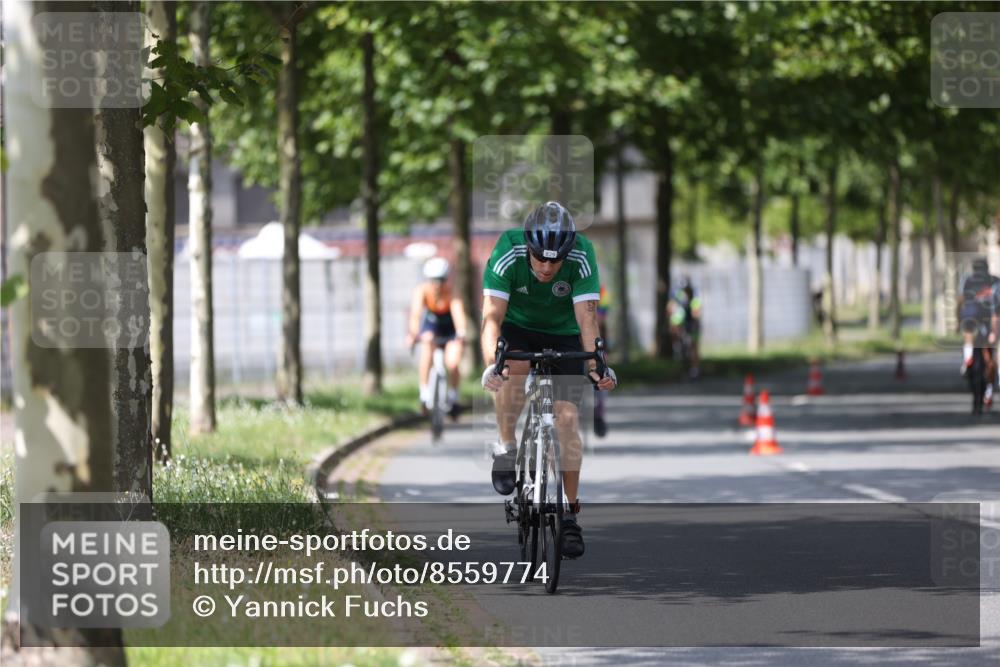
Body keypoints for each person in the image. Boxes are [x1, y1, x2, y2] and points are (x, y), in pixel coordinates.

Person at [480, 201, 618, 559]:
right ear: (528, 247)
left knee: (568, 419)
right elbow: (492, 318)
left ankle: (570, 515)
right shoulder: (507, 250)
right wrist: (491, 365)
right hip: (518, 327)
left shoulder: (582, 255)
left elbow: (588, 320)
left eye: (554, 261)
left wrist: (597, 367)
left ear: (567, 253)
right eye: (539, 257)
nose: (545, 267)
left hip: (565, 333)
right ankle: (507, 447)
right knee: (512, 372)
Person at [406, 257, 467, 415]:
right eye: (434, 280)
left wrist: (461, 332)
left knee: (452, 363)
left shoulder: (452, 291)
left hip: (450, 328)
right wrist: (413, 334)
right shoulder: (422, 291)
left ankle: (453, 398)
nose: (437, 285)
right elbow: (415, 314)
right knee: (427, 349)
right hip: (432, 327)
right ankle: (424, 394)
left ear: (446, 279)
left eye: (441, 280)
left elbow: (458, 313)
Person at [957, 257, 999, 406]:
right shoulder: (995, 280)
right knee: (990, 353)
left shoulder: (966, 280)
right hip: (989, 318)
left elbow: (960, 300)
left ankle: (967, 357)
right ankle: (988, 391)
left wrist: (957, 321)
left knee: (968, 333)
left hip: (970, 315)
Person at [667, 277, 702, 379]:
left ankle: (695, 369)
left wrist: (694, 319)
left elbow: (697, 313)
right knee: (674, 328)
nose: (686, 292)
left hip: (692, 323)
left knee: (693, 346)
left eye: (687, 290)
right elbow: (670, 307)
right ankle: (676, 349)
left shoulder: (695, 297)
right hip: (682, 322)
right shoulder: (678, 296)